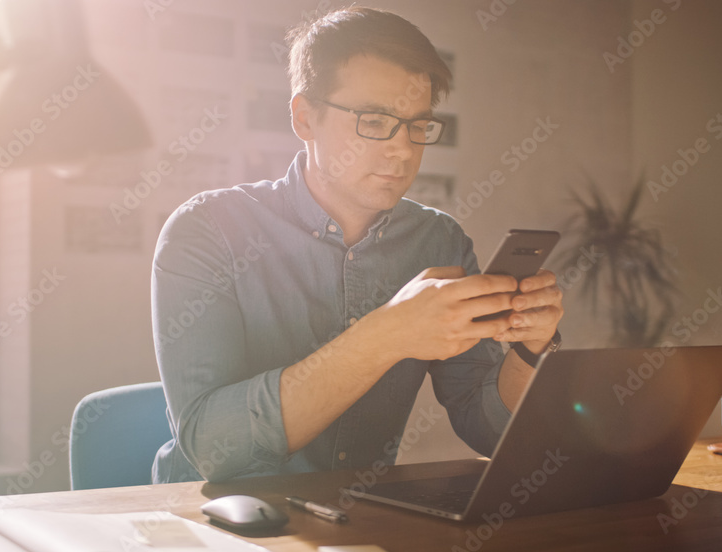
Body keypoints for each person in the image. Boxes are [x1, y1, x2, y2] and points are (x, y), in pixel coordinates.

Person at [150, 6, 563, 484]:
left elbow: (486, 427)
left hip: (357, 520)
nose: (403, 149)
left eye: (417, 125)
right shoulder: (206, 230)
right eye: (374, 120)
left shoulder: (440, 242)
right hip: (212, 526)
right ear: (305, 118)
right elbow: (212, 450)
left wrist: (531, 350)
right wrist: (386, 335)